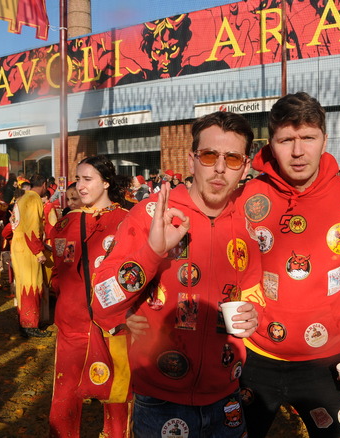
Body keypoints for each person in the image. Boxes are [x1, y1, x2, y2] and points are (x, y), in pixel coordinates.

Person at [92, 111, 264, 437]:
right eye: (209, 155)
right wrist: (151, 253)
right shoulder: (151, 214)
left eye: (232, 158)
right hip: (159, 401)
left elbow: (255, 290)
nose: (219, 168)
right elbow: (101, 302)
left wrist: (255, 313)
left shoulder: (249, 224)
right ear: (192, 160)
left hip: (227, 396)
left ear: (245, 167)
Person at [237, 92, 340, 438]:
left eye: (308, 137)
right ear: (271, 143)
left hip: (329, 365)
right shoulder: (246, 197)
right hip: (254, 359)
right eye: (286, 140)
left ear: (325, 139)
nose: (298, 151)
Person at [49, 156, 130, 437]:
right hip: (72, 322)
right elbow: (58, 272)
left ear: (106, 182)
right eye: (78, 179)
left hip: (115, 324)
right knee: (66, 391)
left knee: (117, 395)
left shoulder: (128, 221)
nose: (80, 186)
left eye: (87, 179)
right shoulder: (65, 223)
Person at [10, 174, 51, 338]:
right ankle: (30, 323)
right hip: (27, 248)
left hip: (18, 245)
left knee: (22, 284)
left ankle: (24, 320)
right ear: (44, 184)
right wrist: (39, 252)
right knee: (32, 283)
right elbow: (32, 230)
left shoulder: (22, 198)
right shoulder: (34, 199)